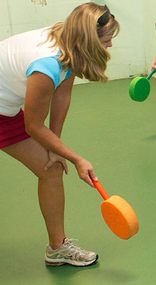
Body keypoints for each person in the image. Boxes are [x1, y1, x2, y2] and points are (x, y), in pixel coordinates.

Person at [0, 2, 119, 266]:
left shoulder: (69, 40)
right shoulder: (46, 64)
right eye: (107, 40)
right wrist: (77, 158)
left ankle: (57, 248)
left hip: (4, 108)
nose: (109, 46)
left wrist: (55, 146)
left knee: (51, 167)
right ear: (90, 40)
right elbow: (33, 125)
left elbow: (62, 93)